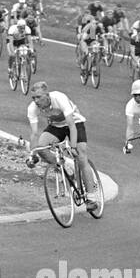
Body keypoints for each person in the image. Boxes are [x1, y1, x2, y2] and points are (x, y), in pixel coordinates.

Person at [24, 82, 100, 214]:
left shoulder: (59, 98)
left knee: (80, 156)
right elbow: (34, 134)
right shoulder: (32, 108)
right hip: (56, 126)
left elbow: (71, 125)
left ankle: (91, 197)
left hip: (75, 123)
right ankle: (65, 169)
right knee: (42, 147)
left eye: (38, 97)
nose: (36, 101)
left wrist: (73, 146)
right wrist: (32, 155)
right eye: (33, 98)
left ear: (47, 95)